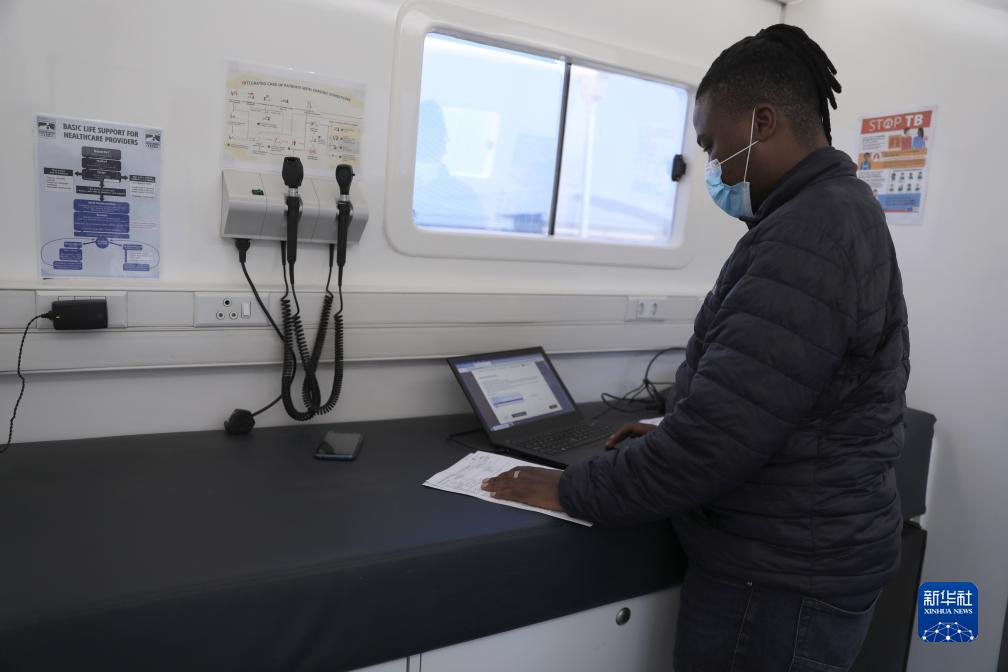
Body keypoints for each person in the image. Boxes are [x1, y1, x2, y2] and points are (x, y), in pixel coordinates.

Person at [481, 23, 909, 672]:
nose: (712, 167)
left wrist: (572, 489)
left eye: (712, 145)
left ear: (762, 122)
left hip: (779, 579)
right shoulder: (835, 210)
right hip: (809, 550)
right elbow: (774, 401)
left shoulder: (809, 233)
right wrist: (668, 428)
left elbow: (717, 441)